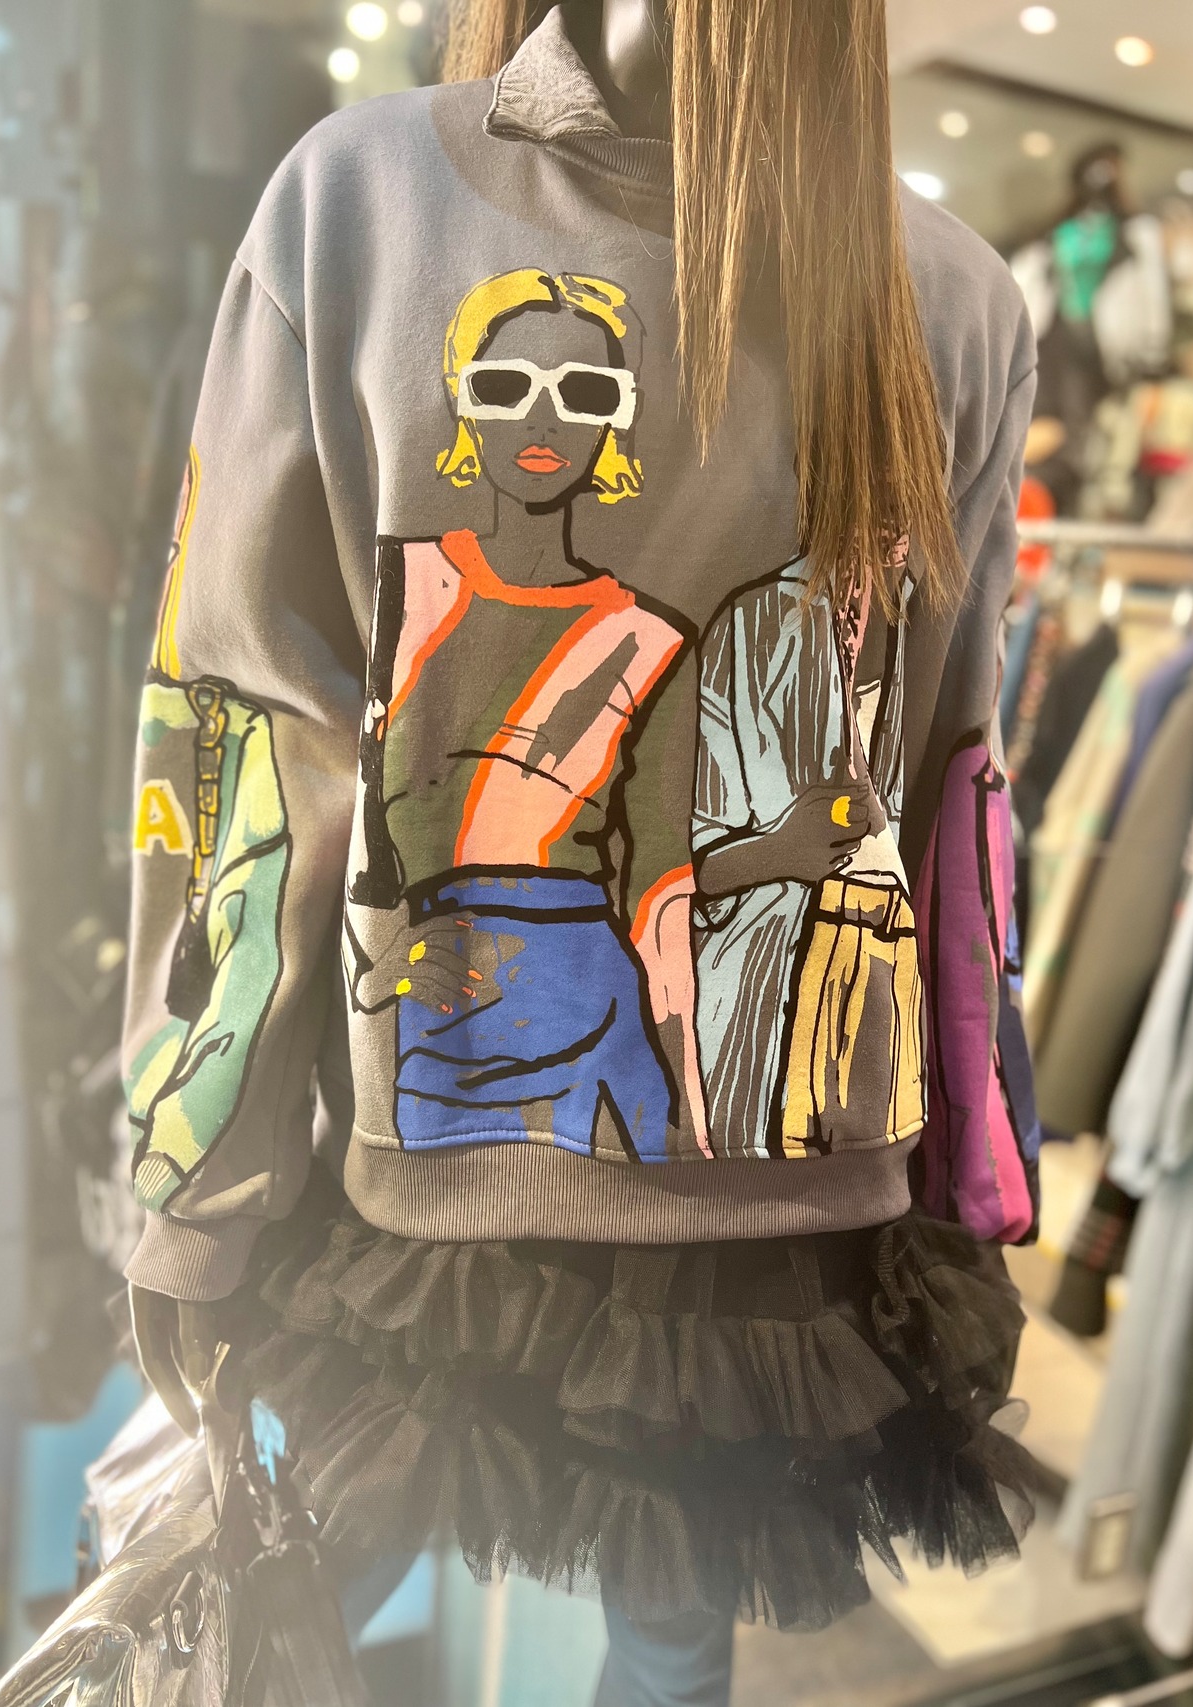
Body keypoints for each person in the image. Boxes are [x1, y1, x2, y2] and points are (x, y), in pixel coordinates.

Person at [124, 2, 1040, 1702]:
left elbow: (944, 795)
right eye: (508, 389)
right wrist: (196, 1175)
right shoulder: (364, 204)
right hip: (487, 1119)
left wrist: (192, 1188)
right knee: (340, 1608)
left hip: (713, 1150)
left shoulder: (951, 296)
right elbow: (260, 750)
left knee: (624, 1636)